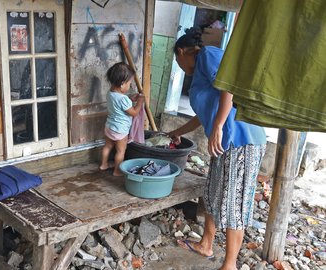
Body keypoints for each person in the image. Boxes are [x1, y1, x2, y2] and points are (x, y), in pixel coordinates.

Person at [168, 27, 266, 270]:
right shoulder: (201, 70)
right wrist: (176, 133)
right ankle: (206, 244)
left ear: (181, 52)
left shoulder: (208, 55)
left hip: (241, 139)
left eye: (178, 62)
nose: (180, 67)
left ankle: (230, 264)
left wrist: (220, 125)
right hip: (224, 142)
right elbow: (203, 115)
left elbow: (228, 87)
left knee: (235, 201)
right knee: (212, 194)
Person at [99, 62, 144, 176]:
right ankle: (117, 171)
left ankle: (103, 164)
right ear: (123, 84)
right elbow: (134, 112)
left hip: (109, 127)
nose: (130, 86)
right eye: (129, 83)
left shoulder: (110, 93)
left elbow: (119, 103)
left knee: (108, 146)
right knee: (120, 151)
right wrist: (139, 102)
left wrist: (130, 98)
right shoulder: (124, 100)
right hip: (120, 130)